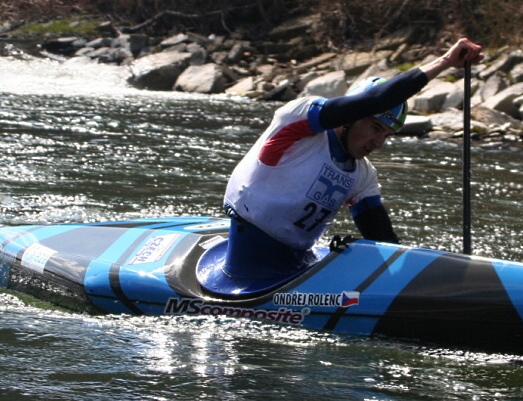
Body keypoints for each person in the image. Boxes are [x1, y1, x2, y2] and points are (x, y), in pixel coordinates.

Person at [202, 38, 484, 295]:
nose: (379, 143)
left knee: (360, 250)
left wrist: (441, 281)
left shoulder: (362, 175)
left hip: (295, 264)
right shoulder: (297, 125)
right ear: (350, 116)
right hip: (243, 267)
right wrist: (446, 63)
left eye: (387, 134)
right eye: (375, 127)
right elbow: (376, 101)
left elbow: (384, 240)